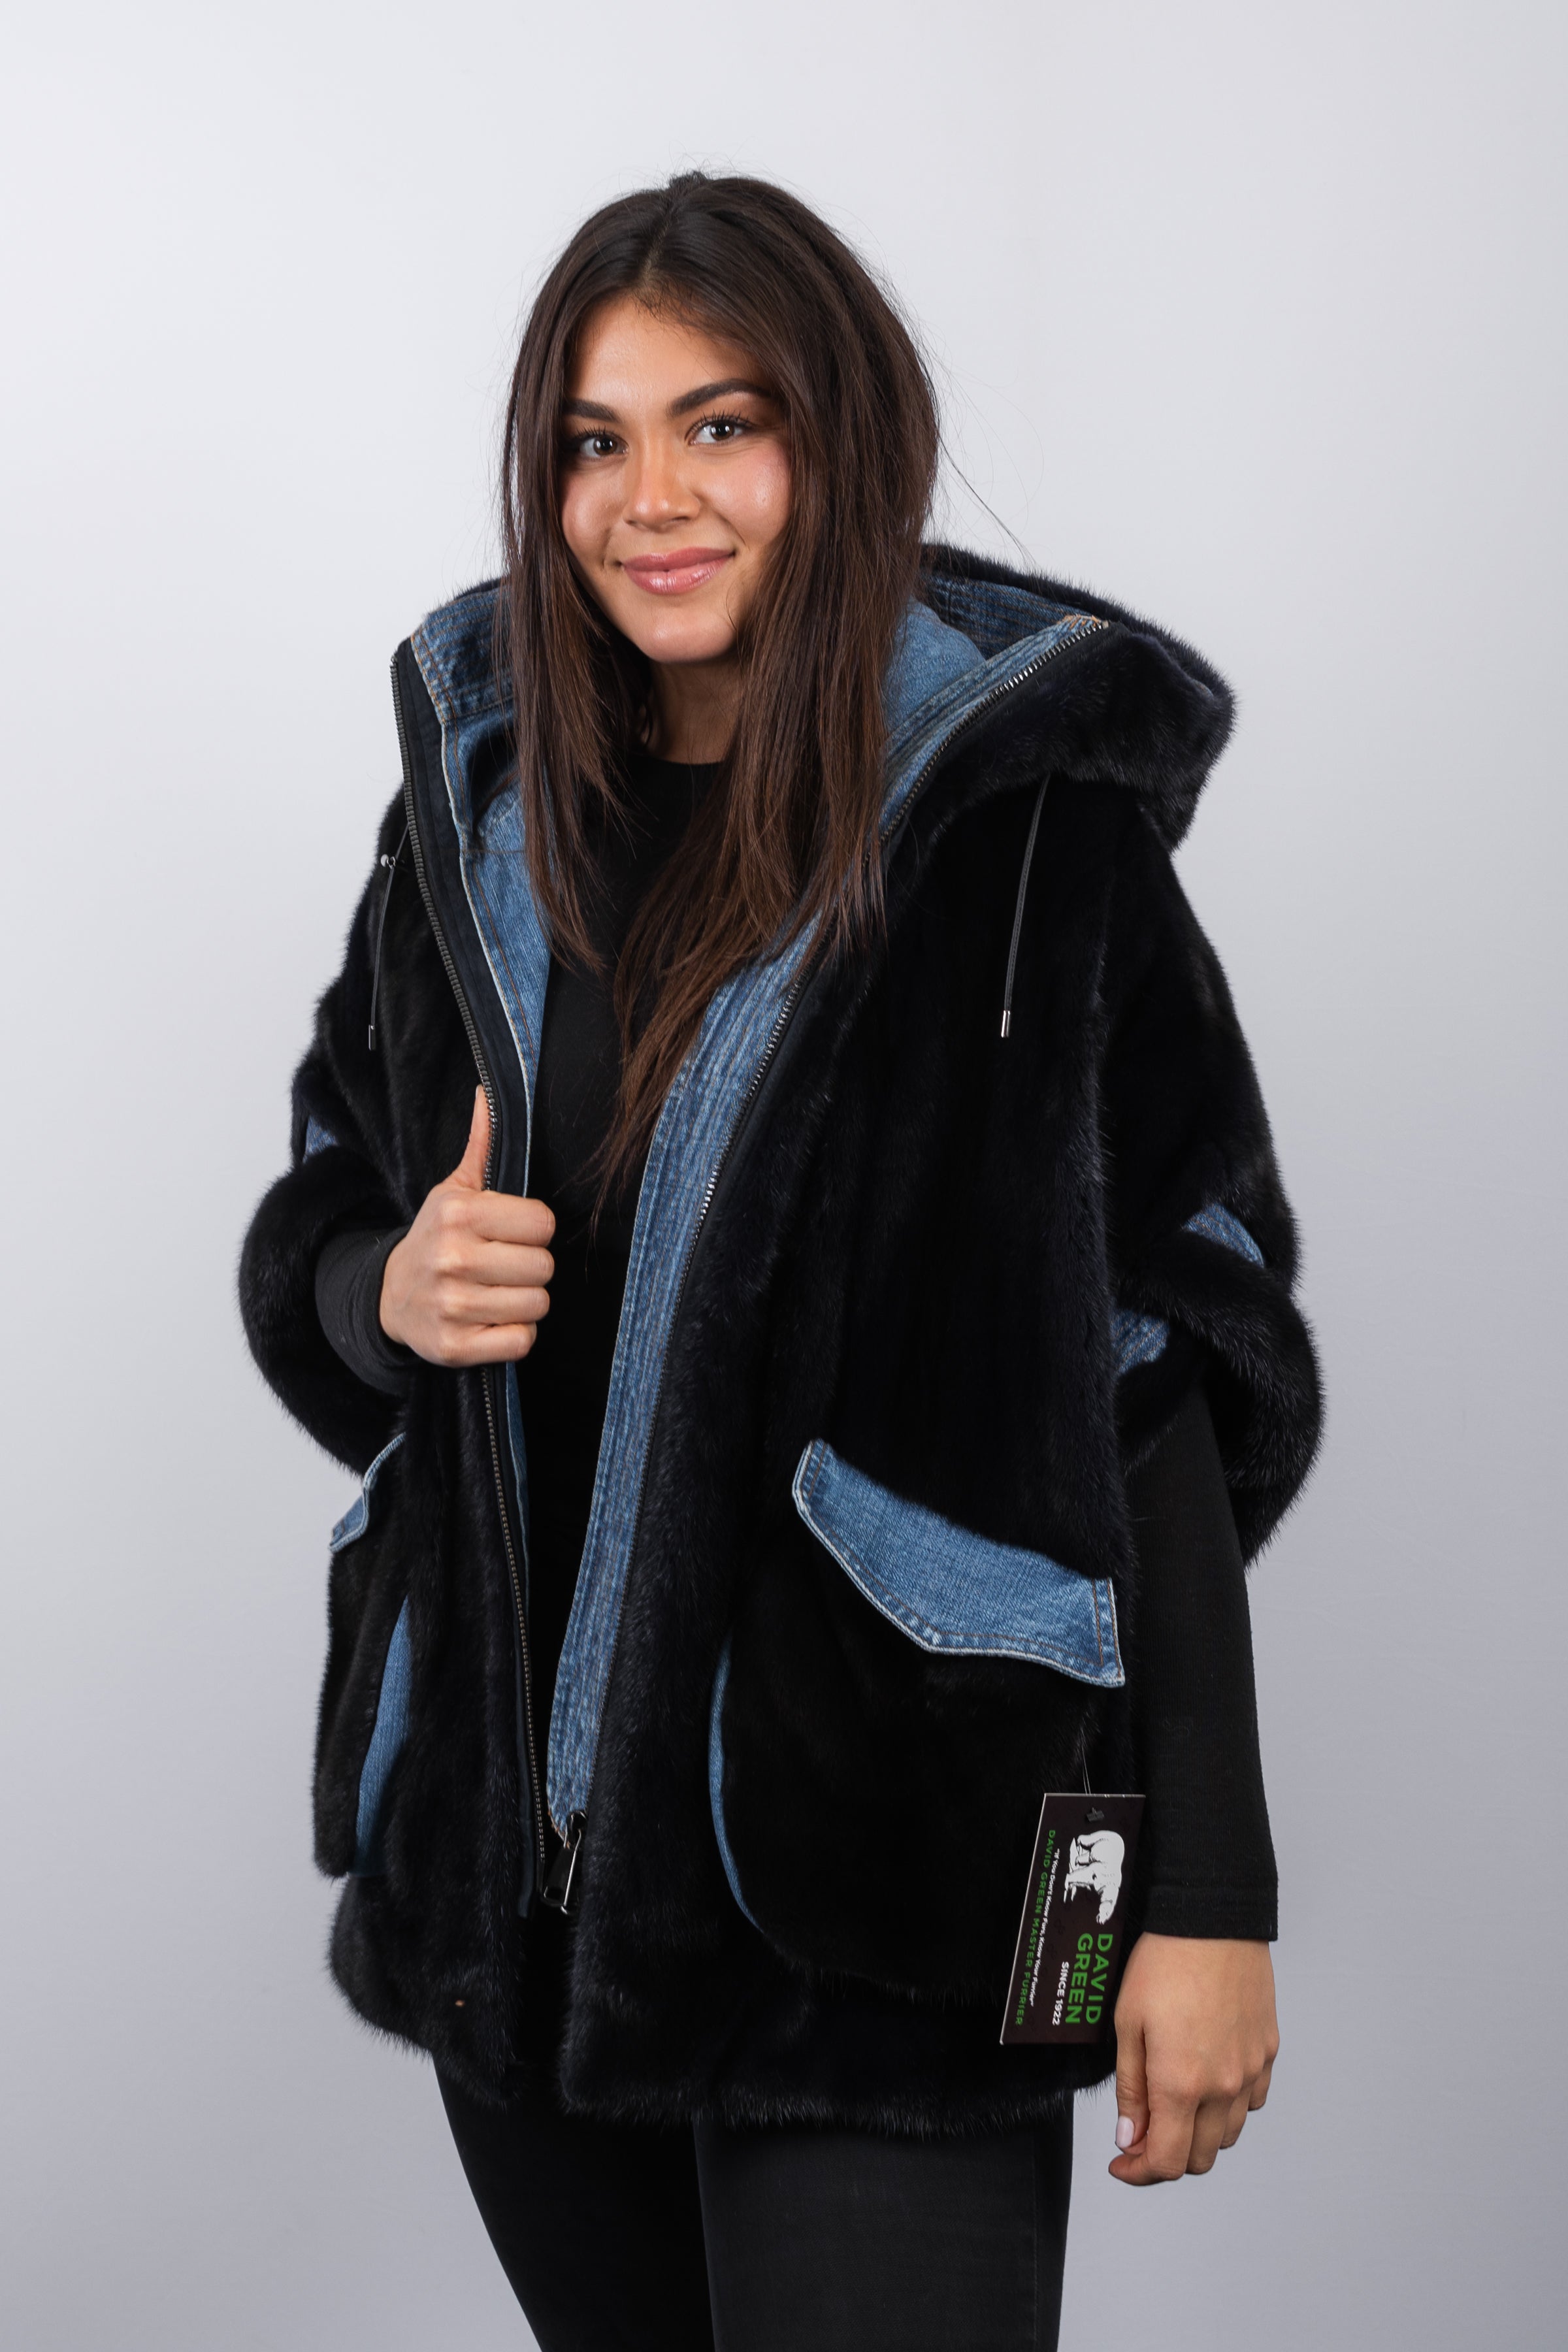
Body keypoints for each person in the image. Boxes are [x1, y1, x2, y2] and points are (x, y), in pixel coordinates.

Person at [240, 172, 1320, 2351]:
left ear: (844, 436)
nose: (652, 498)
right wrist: (386, 1288)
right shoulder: (477, 814)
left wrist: (1201, 1896)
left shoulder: (1027, 830)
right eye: (595, 440)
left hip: (899, 1890)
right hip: (527, 1912)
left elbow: (1169, 1366)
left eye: (722, 425)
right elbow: (325, 1212)